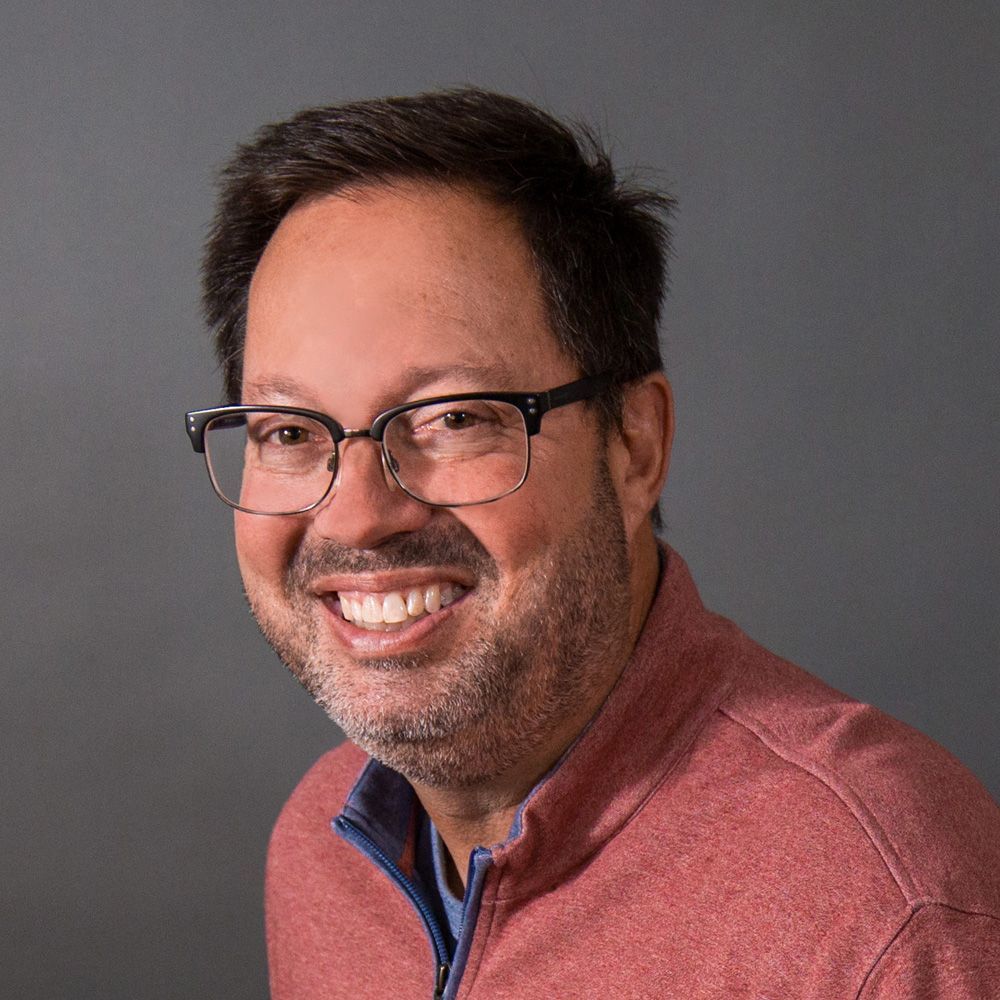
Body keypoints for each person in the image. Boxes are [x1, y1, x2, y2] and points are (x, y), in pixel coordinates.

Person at [186, 89, 1000, 999]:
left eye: (454, 418)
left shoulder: (886, 915)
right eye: (289, 433)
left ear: (635, 446)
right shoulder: (321, 853)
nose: (356, 516)